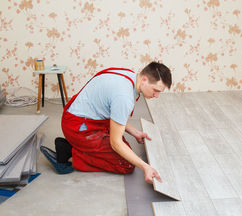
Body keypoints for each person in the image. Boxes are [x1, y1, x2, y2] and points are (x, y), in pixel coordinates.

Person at [40, 61, 172, 184]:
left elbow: (116, 113)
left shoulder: (130, 76)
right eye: (156, 90)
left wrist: (135, 133)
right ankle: (68, 152)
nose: (156, 96)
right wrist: (145, 167)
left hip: (80, 118)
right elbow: (115, 143)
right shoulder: (124, 96)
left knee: (124, 149)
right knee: (126, 164)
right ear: (144, 80)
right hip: (78, 127)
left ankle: (72, 145)